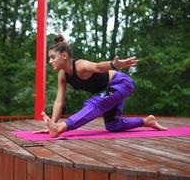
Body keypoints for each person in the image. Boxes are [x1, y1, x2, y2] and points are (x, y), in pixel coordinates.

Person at [38, 35, 167, 138]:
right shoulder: (62, 75)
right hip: (108, 91)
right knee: (113, 125)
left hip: (121, 83)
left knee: (93, 104)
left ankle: (61, 128)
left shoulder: (80, 65)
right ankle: (147, 121)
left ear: (64, 55)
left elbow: (98, 67)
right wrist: (52, 124)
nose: (50, 61)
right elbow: (59, 100)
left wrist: (115, 64)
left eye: (52, 57)